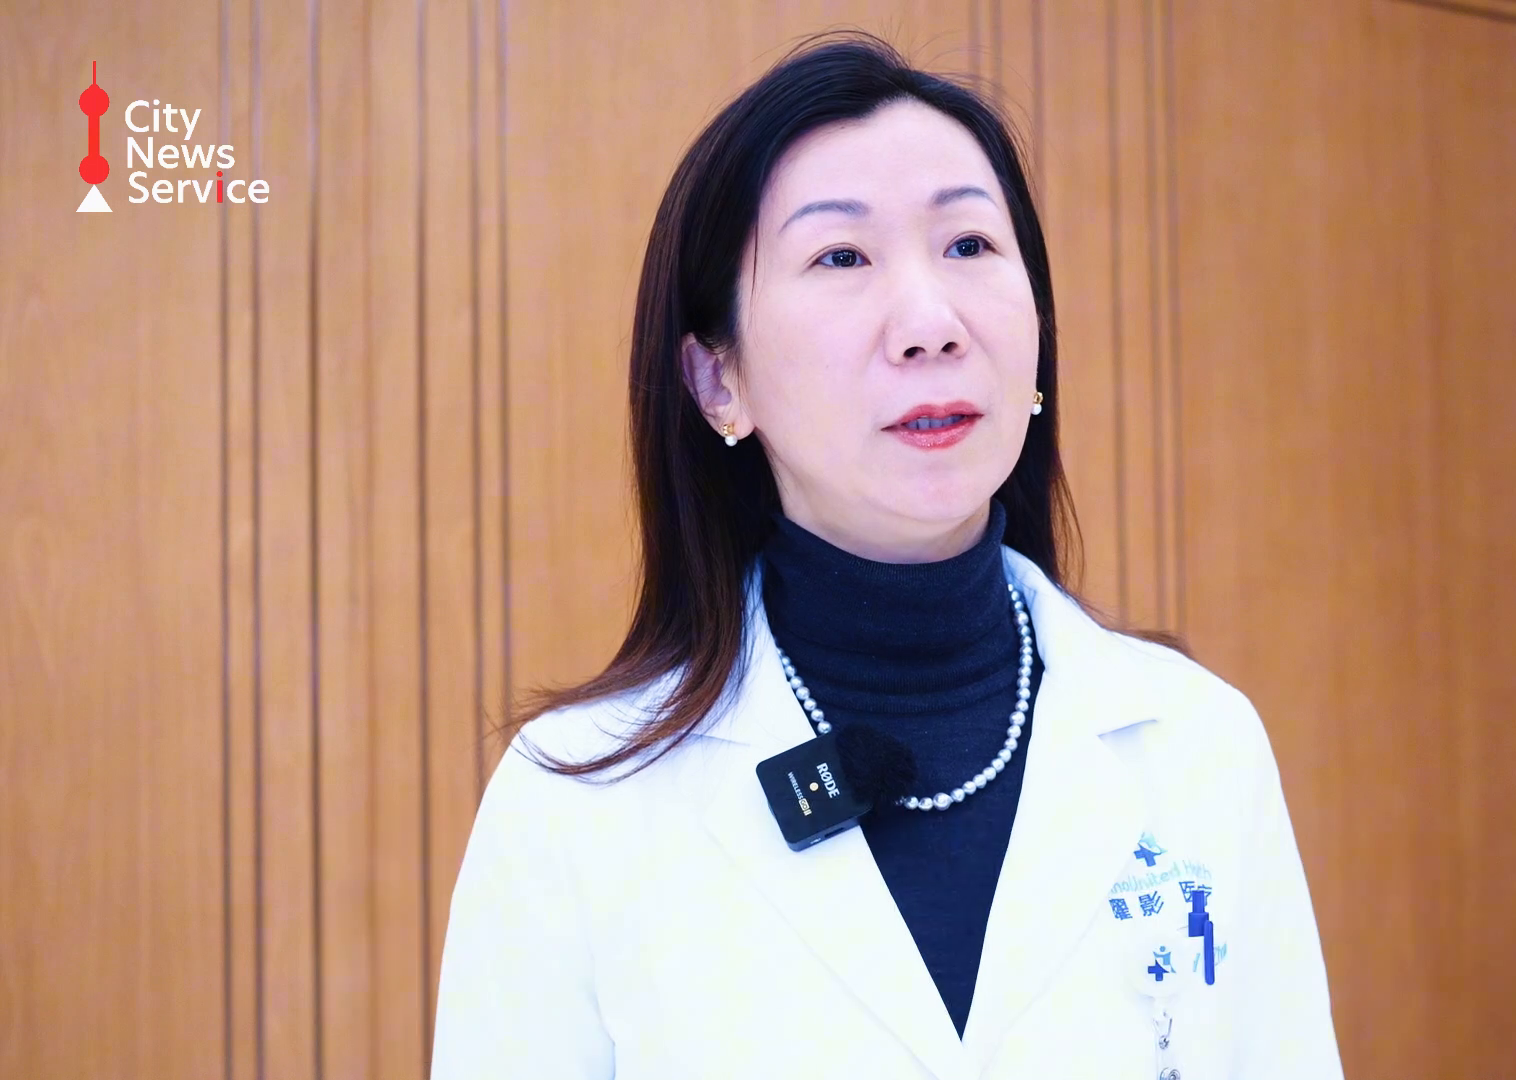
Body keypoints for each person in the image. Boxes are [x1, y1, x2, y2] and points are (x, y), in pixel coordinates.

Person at [430, 31, 1342, 1080]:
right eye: (842, 257)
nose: (931, 323)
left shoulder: (1197, 746)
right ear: (718, 379)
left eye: (969, 245)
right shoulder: (575, 804)